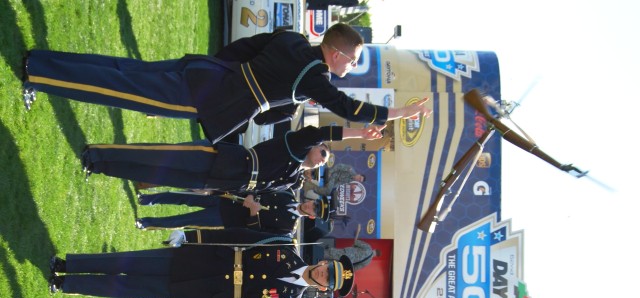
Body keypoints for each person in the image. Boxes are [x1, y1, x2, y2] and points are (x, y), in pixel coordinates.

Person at [22, 24, 431, 143]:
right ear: (337, 52)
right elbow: (348, 107)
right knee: (116, 89)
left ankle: (41, 62)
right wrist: (399, 113)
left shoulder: (292, 40)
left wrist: (215, 69)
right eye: (353, 60)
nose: (352, 68)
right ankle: (38, 74)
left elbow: (243, 47)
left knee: (122, 70)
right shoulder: (316, 75)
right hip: (209, 93)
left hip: (206, 72)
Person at [47, 228, 355, 298]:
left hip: (204, 294)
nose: (323, 271)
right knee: (129, 261)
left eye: (328, 278)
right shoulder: (285, 247)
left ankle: (65, 283)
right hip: (202, 260)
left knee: (126, 287)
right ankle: (68, 263)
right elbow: (239, 238)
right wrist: (192, 236)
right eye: (328, 266)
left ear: (324, 289)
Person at [81, 124, 383, 193]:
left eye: (321, 163)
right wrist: (356, 133)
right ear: (314, 146)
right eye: (321, 153)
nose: (319, 161)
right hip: (222, 160)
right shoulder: (294, 145)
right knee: (157, 156)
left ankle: (99, 166)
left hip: (217, 179)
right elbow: (319, 131)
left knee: (158, 176)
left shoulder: (292, 179)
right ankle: (95, 152)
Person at [135, 186, 334, 235]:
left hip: (226, 218)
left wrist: (254, 213)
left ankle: (147, 222)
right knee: (185, 197)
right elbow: (260, 190)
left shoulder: (288, 227)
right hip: (229, 199)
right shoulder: (288, 195)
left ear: (312, 216)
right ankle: (148, 199)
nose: (310, 206)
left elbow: (256, 233)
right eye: (314, 203)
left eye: (314, 209)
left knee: (184, 220)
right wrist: (250, 195)